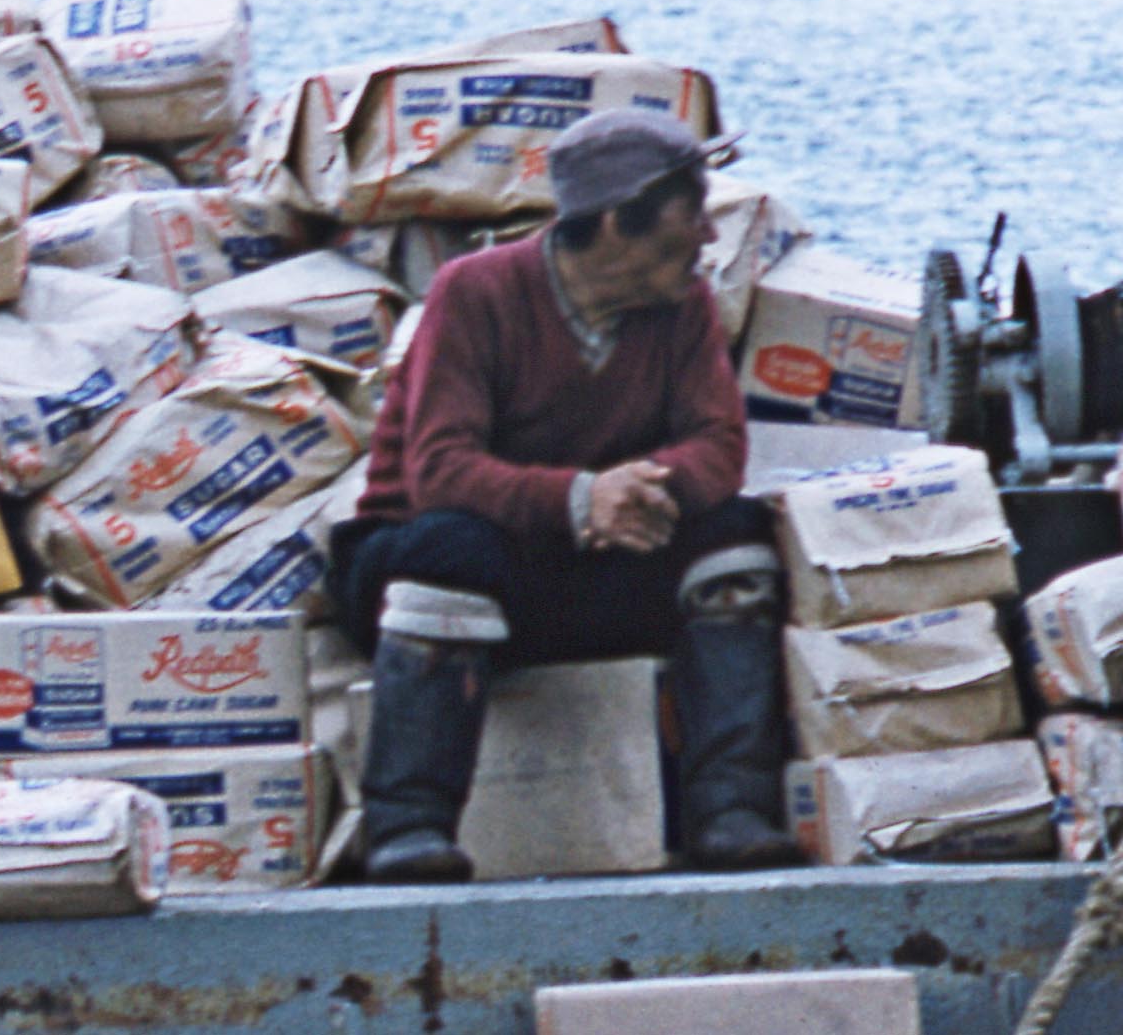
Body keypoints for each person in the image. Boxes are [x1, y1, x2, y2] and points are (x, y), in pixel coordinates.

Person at [326, 103, 807, 881]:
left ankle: (731, 812)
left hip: (592, 570)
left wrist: (646, 493)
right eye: (691, 217)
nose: (707, 237)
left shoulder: (681, 306)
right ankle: (406, 828)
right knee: (449, 544)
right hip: (443, 567)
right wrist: (582, 500)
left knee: (733, 534)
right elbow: (439, 471)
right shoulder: (474, 292)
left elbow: (718, 447)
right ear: (620, 223)